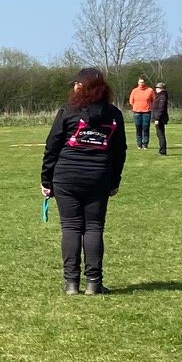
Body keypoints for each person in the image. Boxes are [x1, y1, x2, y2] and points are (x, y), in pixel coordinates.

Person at [41, 67, 128, 295]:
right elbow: (120, 151)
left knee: (70, 227)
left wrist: (46, 180)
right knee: (94, 228)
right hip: (99, 177)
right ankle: (93, 283)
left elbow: (52, 147)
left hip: (66, 177)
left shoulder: (67, 112)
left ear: (80, 87)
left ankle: (71, 283)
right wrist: (114, 181)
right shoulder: (114, 114)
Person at [126, 78, 156, 149]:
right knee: (138, 128)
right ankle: (139, 144)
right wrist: (136, 106)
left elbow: (154, 100)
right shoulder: (134, 91)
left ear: (145, 83)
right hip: (137, 112)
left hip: (146, 112)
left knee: (145, 128)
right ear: (138, 83)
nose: (141, 84)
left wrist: (149, 107)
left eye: (142, 82)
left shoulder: (150, 90)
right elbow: (131, 101)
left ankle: (145, 144)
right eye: (140, 82)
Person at [151, 84, 170, 154]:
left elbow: (161, 109)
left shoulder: (162, 97)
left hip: (160, 119)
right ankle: (162, 150)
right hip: (159, 118)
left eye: (157, 88)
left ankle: (162, 151)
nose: (156, 89)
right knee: (160, 134)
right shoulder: (160, 96)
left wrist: (157, 119)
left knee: (161, 135)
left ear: (161, 88)